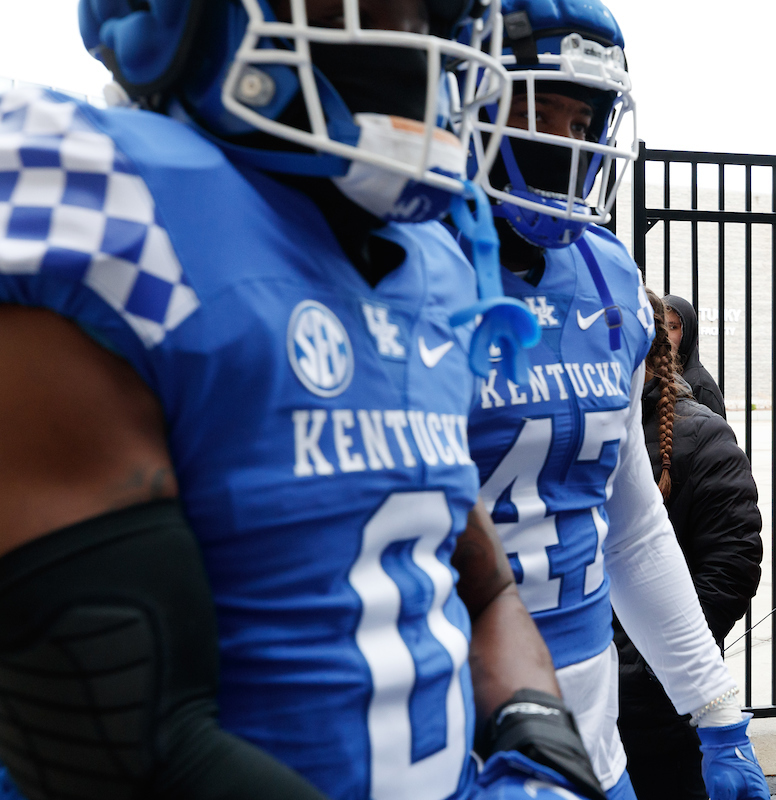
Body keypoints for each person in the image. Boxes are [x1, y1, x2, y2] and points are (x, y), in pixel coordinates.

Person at [0, 2, 607, 799]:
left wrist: (540, 747)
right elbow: (113, 733)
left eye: (438, 14)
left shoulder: (431, 261)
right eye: (377, 6)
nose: (416, 39)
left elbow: (483, 585)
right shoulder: (104, 199)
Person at [457, 2, 770, 799]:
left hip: (595, 731)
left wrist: (716, 710)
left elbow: (630, 526)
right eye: (535, 111)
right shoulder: (406, 268)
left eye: (581, 117)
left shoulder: (610, 277)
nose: (563, 141)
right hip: (448, 724)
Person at [613, 288, 763, 800]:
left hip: (663, 707)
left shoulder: (701, 434)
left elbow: (731, 568)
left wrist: (645, 670)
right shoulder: (591, 431)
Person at [663, 294, 726, 418]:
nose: (665, 334)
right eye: (661, 326)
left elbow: (718, 434)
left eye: (672, 327)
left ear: (687, 332)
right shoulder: (654, 377)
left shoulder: (702, 386)